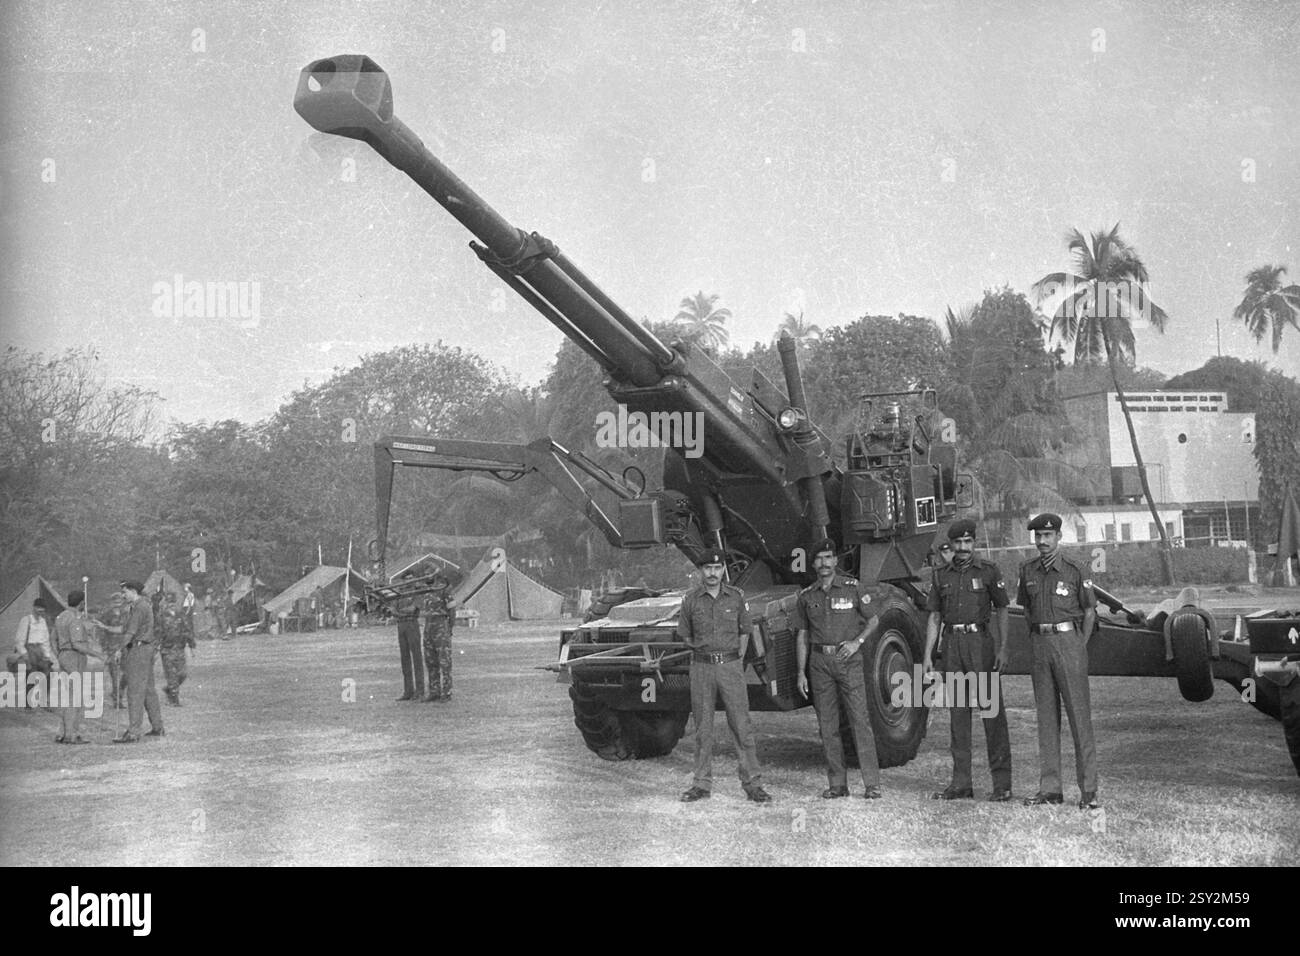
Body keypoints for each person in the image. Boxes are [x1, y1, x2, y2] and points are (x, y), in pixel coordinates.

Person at [922, 519, 1013, 801]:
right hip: (952, 646)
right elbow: (935, 616)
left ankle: (1002, 785)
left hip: (980, 644)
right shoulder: (940, 575)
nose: (963, 548)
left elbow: (1002, 609)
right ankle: (961, 783)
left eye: (967, 542)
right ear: (951, 545)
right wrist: (927, 654)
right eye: (958, 543)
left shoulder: (988, 571)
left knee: (991, 714)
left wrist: (1002, 648)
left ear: (973, 543)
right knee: (958, 716)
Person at [1017, 512, 1099, 809]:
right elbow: (1026, 610)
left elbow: (1089, 612)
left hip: (1069, 644)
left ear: (1059, 537)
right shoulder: (1027, 570)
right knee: (1046, 720)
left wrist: (1079, 645)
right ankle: (1050, 789)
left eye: (1047, 536)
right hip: (1040, 644)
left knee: (1079, 718)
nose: (1042, 542)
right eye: (1038, 536)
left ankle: (1088, 791)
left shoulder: (1076, 569)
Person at [676, 549, 771, 804]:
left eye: (717, 569)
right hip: (702, 668)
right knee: (703, 729)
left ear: (723, 571)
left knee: (742, 726)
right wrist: (700, 649)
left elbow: (745, 630)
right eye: (707, 568)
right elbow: (684, 633)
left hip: (730, 667)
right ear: (701, 571)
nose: (712, 573)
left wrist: (737, 657)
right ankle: (701, 784)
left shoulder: (736, 598)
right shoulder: (691, 600)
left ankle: (753, 784)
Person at [792, 538, 883, 800]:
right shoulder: (807, 596)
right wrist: (801, 672)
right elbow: (802, 635)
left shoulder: (853, 588)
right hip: (819, 664)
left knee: (860, 721)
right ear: (813, 564)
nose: (824, 563)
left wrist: (858, 642)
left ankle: (872, 784)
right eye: (819, 559)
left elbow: (873, 619)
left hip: (849, 661)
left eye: (828, 558)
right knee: (827, 725)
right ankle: (837, 785)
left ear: (835, 561)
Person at [114, 580, 163, 743]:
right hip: (146, 649)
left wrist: (119, 650)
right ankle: (157, 727)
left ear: (133, 591)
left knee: (134, 691)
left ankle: (134, 731)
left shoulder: (138, 607)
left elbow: (130, 633)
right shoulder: (143, 605)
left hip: (138, 649)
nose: (123, 595)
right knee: (148, 690)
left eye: (125, 591)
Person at [52, 590, 104, 744]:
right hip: (75, 657)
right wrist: (97, 654)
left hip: (64, 655)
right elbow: (77, 644)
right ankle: (70, 735)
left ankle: (62, 733)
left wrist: (60, 655)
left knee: (69, 696)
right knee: (75, 698)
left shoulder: (60, 617)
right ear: (81, 603)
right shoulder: (74, 619)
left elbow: (52, 639)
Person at [421, 574, 458, 702]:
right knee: (430, 661)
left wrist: (450, 628)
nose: (426, 575)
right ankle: (434, 691)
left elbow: (452, 610)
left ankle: (447, 692)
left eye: (428, 572)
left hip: (441, 626)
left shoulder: (444, 590)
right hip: (428, 626)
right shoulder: (426, 591)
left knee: (444, 662)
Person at [158, 592, 196, 705]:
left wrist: (191, 643)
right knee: (171, 675)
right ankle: (174, 699)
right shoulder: (161, 616)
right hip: (167, 649)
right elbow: (157, 631)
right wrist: (155, 647)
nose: (171, 605)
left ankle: (170, 690)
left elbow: (187, 629)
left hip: (179, 647)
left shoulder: (180, 614)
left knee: (182, 674)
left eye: (172, 602)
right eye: (169, 602)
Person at [95, 590, 129, 708]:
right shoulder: (107, 615)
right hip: (112, 648)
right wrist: (105, 649)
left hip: (125, 646)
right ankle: (117, 700)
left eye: (120, 601)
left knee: (128, 673)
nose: (117, 603)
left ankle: (118, 693)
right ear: (112, 602)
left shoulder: (127, 614)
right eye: (115, 601)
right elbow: (100, 632)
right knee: (115, 675)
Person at [8, 597, 55, 677]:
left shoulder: (42, 621)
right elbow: (19, 641)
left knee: (47, 676)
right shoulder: (26, 620)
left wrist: (47, 655)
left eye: (42, 610)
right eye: (39, 609)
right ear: (34, 607)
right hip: (29, 651)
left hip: (40, 651)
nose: (41, 612)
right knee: (31, 677)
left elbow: (45, 640)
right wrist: (25, 656)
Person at [393, 581, 424, 702]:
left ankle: (420, 690)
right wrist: (402, 611)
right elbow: (393, 610)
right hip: (401, 625)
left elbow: (413, 609)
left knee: (416, 658)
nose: (408, 582)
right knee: (405, 659)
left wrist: (401, 611)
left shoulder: (417, 593)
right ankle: (408, 691)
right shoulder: (399, 594)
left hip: (412, 624)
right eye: (406, 580)